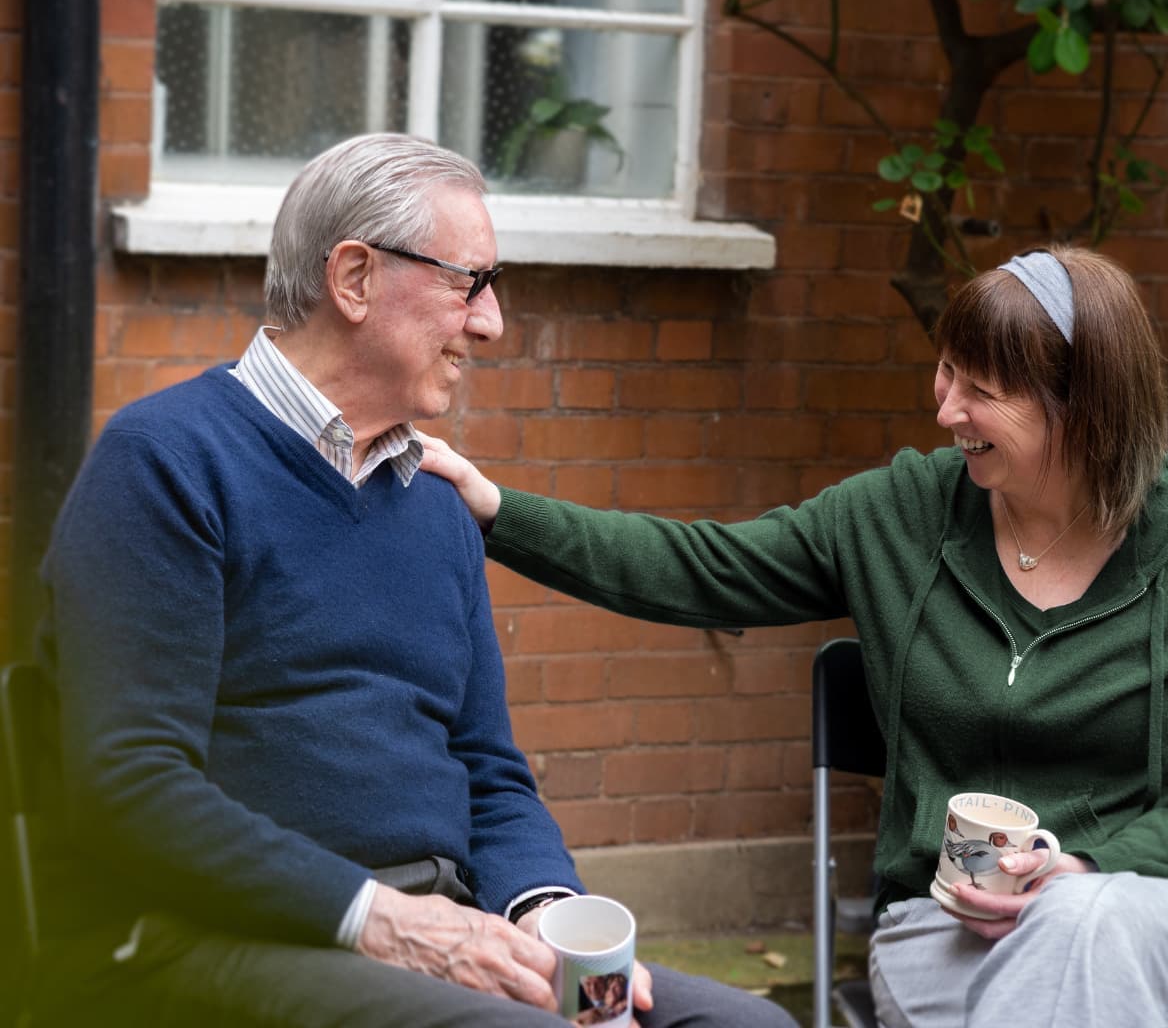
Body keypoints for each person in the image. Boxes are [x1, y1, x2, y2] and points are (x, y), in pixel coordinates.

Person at [32, 133, 797, 1028]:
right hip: (215, 938)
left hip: (438, 931)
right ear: (354, 278)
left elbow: (488, 769)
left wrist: (539, 911)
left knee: (740, 1025)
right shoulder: (164, 463)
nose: (491, 322)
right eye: (469, 282)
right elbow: (131, 785)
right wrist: (386, 922)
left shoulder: (434, 501)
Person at [421, 245, 1168, 1027]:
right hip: (947, 932)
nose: (946, 410)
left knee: (1082, 925)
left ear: (1082, 407)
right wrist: (497, 510)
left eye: (982, 391)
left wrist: (1084, 868)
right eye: (947, 373)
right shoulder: (901, 515)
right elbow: (701, 568)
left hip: (1142, 911)